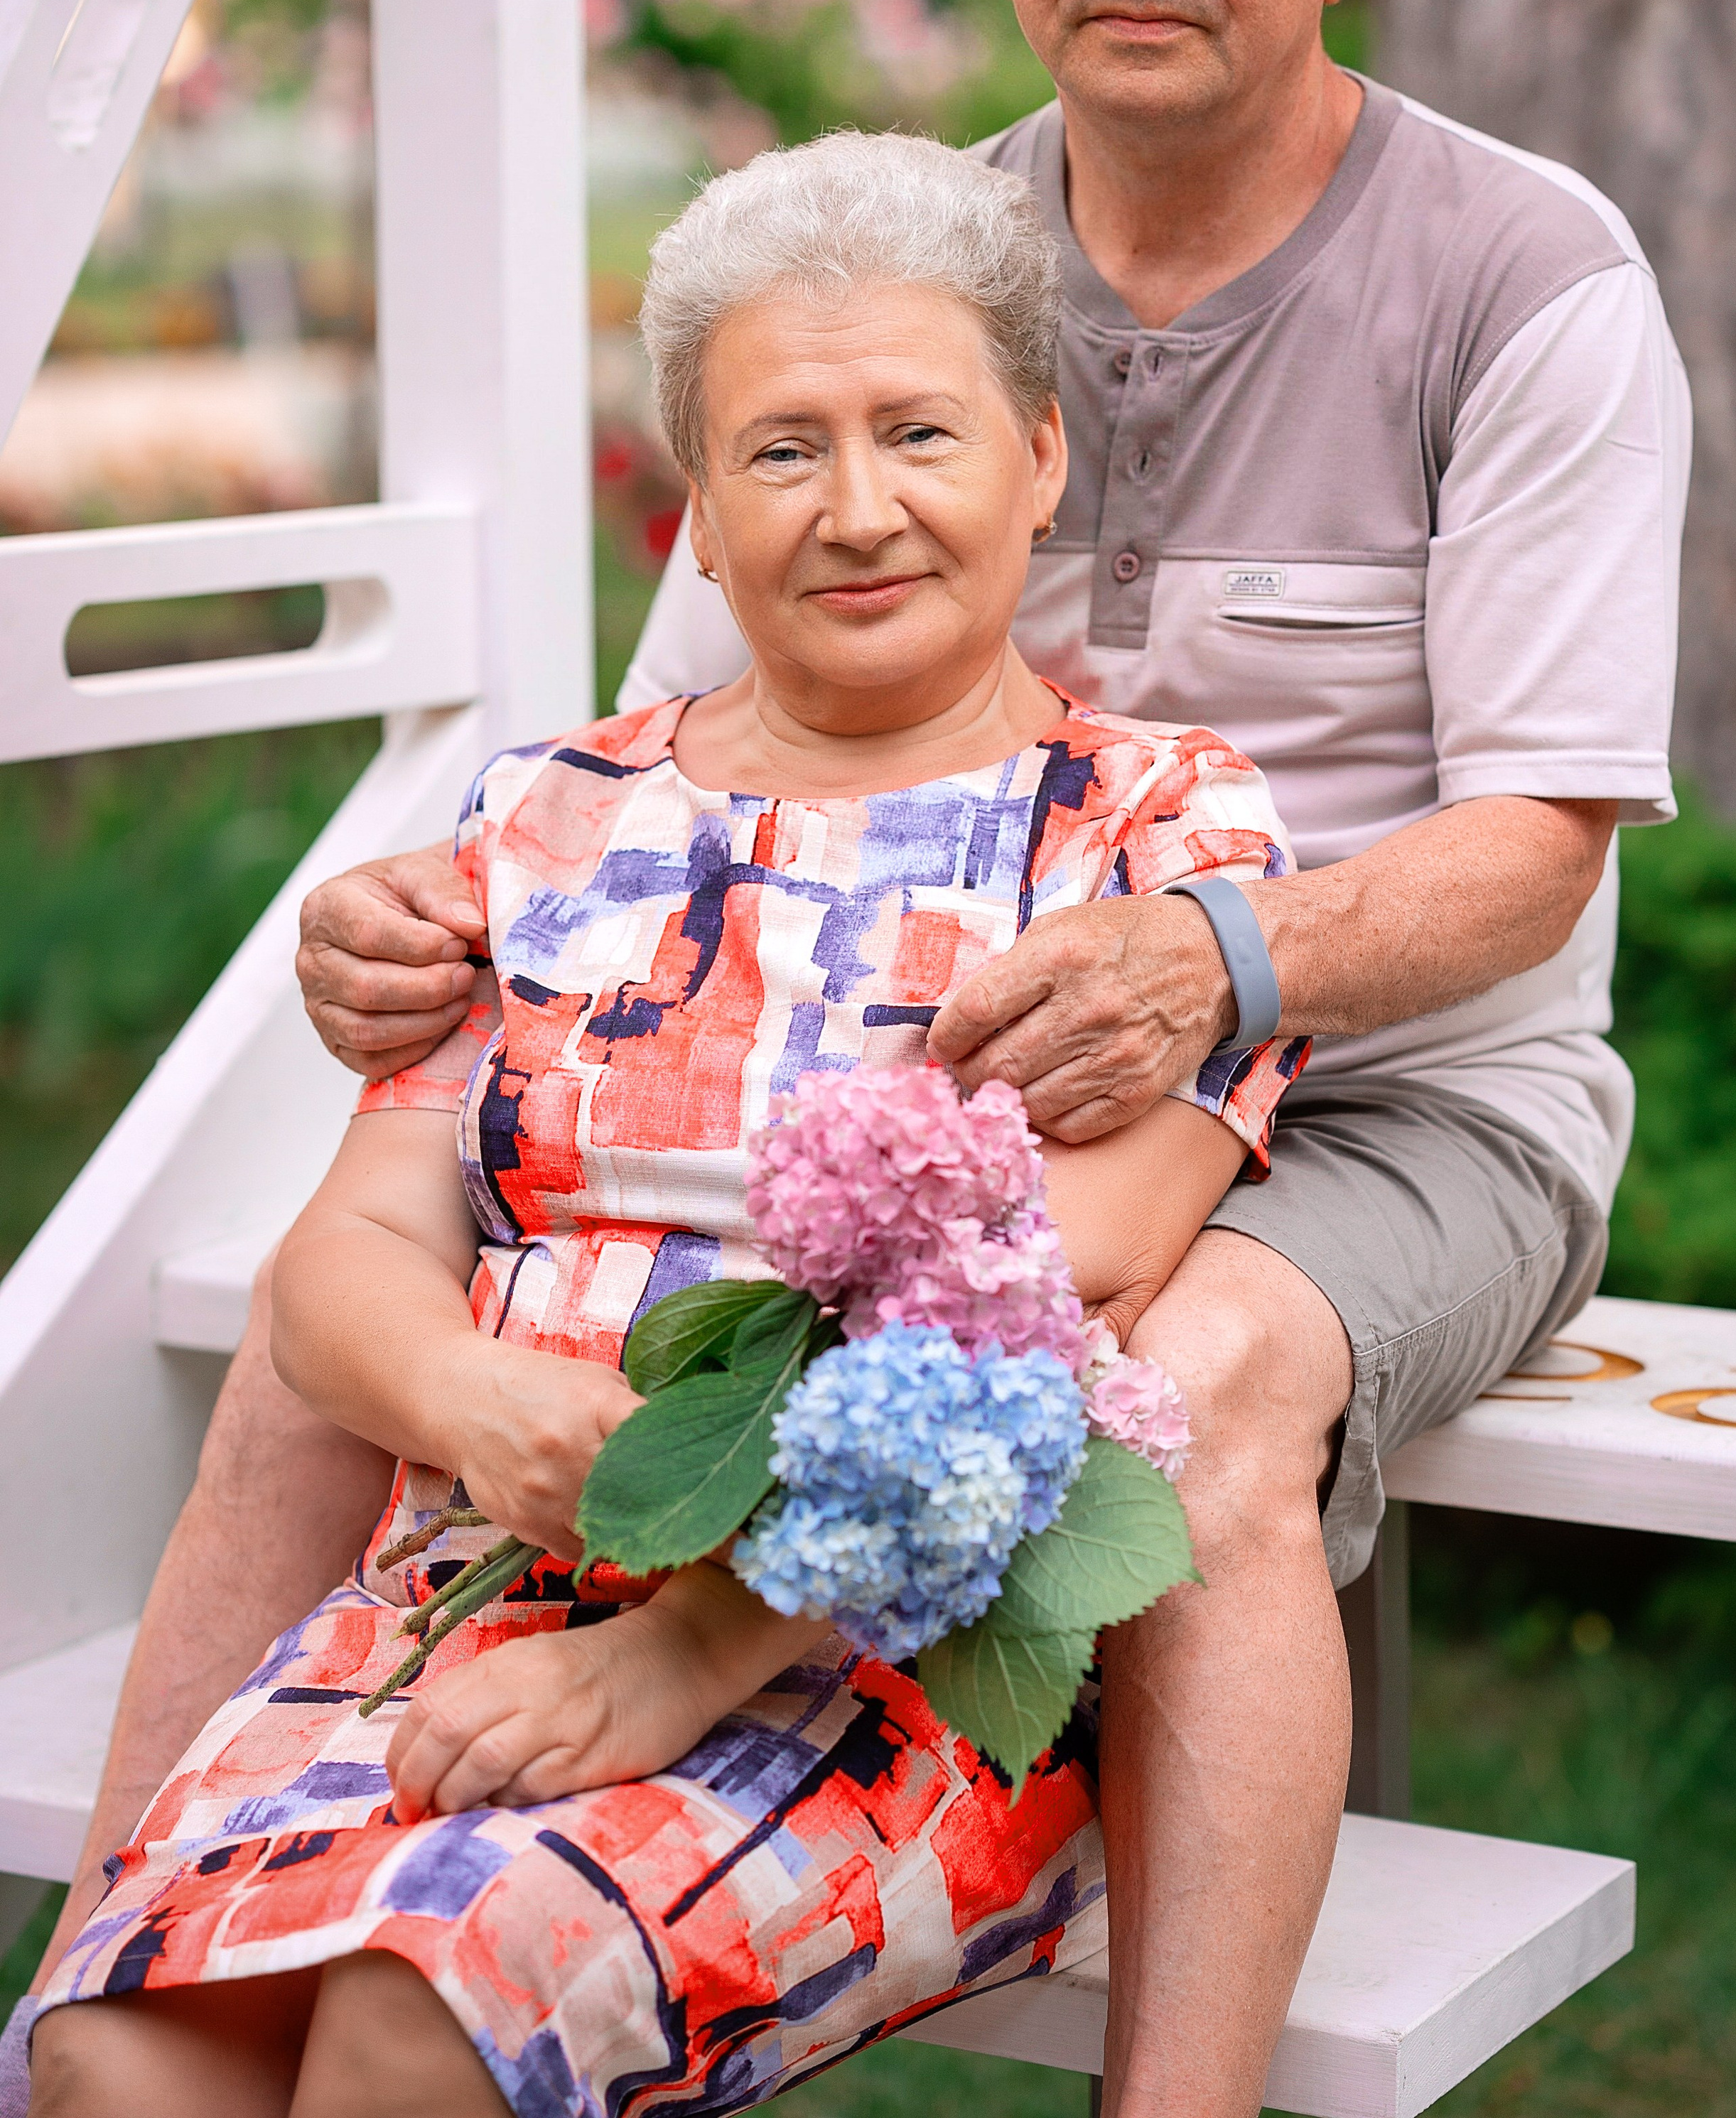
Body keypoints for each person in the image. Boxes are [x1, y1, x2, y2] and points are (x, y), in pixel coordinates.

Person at [26, 0, 1691, 2118]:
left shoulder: (1523, 277)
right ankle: (145, 1954)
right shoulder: (906, 261)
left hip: (1402, 1084)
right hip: (948, 1046)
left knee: (1192, 1374)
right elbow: (682, 755)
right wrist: (429, 923)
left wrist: (1214, 958)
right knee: (322, 1326)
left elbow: (1540, 851)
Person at [28, 133, 1310, 2118]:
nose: (860, 509)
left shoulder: (1154, 837)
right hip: (474, 1585)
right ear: (699, 516)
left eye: (920, 432)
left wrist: (683, 1649)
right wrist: (481, 1404)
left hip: (881, 1654)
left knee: (421, 2026)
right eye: (782, 450)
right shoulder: (541, 817)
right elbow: (351, 1257)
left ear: (1042, 459)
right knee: (121, 2060)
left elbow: (1064, 1289)